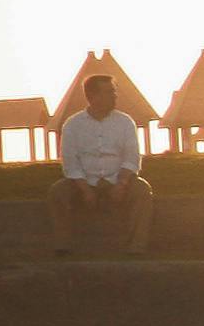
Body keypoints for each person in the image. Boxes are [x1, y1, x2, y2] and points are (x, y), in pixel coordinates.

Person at [51, 72, 154, 255]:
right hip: (83, 180)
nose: (115, 96)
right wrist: (84, 189)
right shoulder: (73, 125)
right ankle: (62, 246)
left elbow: (131, 157)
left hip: (117, 178)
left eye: (114, 91)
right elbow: (70, 162)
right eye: (109, 92)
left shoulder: (125, 122)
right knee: (58, 192)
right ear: (92, 96)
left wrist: (121, 184)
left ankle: (136, 248)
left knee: (142, 190)